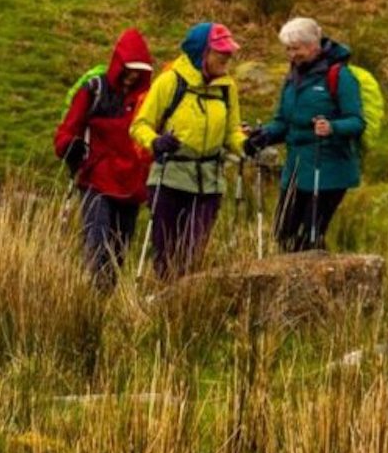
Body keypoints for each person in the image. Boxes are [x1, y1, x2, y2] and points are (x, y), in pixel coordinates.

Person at [130, 22, 245, 279]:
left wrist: (246, 144)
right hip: (170, 179)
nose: (227, 57)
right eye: (220, 52)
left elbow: (232, 132)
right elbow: (140, 125)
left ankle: (186, 309)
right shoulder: (170, 81)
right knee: (166, 255)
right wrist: (156, 142)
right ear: (201, 53)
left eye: (228, 52)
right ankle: (165, 307)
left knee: (192, 255)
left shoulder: (227, 88)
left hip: (209, 184)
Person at [244, 17, 363, 252]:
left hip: (328, 171)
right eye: (288, 49)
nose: (291, 55)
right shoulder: (292, 77)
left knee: (310, 236)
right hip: (295, 171)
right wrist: (263, 135)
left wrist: (332, 127)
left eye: (296, 48)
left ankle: (317, 283)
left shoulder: (340, 75)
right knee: (282, 233)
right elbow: (284, 122)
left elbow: (357, 121)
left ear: (313, 45)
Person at [54, 29, 153, 291]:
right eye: (129, 70)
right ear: (118, 64)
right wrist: (68, 147)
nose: (132, 77)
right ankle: (91, 301)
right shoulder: (94, 90)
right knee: (97, 246)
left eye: (138, 72)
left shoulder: (146, 99)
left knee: (118, 255)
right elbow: (67, 130)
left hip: (130, 188)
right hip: (96, 181)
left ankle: (102, 303)